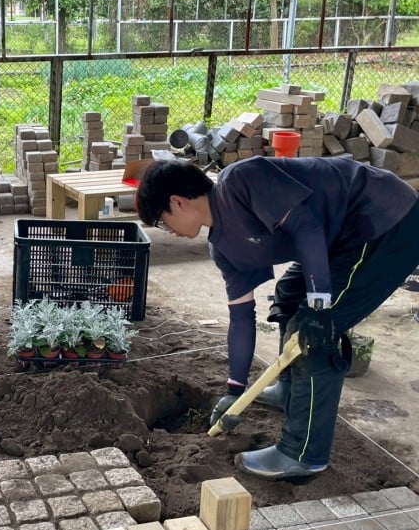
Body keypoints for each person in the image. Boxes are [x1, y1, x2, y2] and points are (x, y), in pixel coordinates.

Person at [136, 155, 419, 480]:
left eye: (161, 221)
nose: (166, 231)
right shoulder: (223, 247)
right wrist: (236, 389)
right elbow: (241, 317)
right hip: (341, 240)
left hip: (383, 221)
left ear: (178, 202)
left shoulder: (242, 180)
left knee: (313, 333)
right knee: (289, 294)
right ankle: (289, 389)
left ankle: (303, 455)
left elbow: (307, 225)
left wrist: (320, 305)